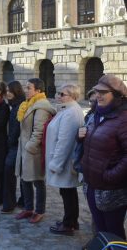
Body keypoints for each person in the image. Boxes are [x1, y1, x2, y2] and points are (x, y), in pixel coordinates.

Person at [80, 74, 127, 240]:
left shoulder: (123, 118)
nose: (98, 95)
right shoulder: (96, 114)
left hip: (112, 189)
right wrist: (80, 137)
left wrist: (110, 176)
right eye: (96, 91)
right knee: (100, 229)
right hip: (92, 184)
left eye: (103, 92)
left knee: (113, 232)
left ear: (116, 95)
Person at [15, 78, 56, 222]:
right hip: (25, 148)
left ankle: (39, 210)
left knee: (38, 181)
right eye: (25, 87)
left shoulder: (42, 106)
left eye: (29, 88)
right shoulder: (27, 104)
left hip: (33, 151)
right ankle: (28, 208)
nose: (26, 90)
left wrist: (29, 147)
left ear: (38, 90)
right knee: (25, 179)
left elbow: (39, 131)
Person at [46, 84, 84, 235]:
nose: (58, 96)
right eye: (58, 93)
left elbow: (64, 141)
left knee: (68, 192)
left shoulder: (71, 112)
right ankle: (71, 220)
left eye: (62, 94)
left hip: (65, 161)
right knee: (67, 191)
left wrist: (56, 163)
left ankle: (69, 224)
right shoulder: (67, 109)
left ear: (73, 96)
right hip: (64, 160)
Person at [1, 81, 25, 213]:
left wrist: (10, 141)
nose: (8, 94)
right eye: (7, 91)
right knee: (18, 173)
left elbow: (16, 128)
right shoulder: (13, 105)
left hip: (16, 145)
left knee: (10, 172)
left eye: (10, 91)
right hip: (14, 144)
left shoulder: (20, 105)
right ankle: (22, 200)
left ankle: (10, 203)